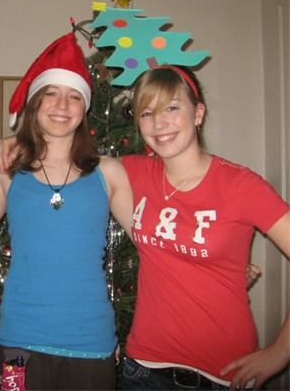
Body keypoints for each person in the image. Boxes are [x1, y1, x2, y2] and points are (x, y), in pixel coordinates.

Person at [120, 65, 290, 390]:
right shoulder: (131, 171)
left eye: (172, 107)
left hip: (224, 377)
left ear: (198, 114)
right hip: (143, 370)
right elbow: (69, 160)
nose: (159, 123)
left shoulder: (240, 185)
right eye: (147, 112)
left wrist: (282, 350)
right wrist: (17, 144)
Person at [0, 33, 134, 390]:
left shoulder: (108, 172)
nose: (61, 105)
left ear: (84, 108)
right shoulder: (6, 170)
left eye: (73, 96)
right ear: (35, 103)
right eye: (50, 93)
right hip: (16, 347)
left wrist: (216, 262)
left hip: (91, 347)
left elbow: (151, 242)